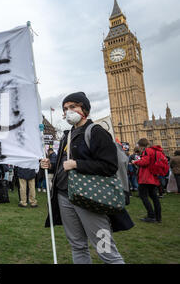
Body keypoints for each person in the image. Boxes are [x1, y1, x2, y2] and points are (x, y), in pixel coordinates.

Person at [40, 92, 133, 264]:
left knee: (106, 250)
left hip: (90, 198)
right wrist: (50, 165)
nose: (68, 111)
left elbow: (109, 166)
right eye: (65, 108)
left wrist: (78, 164)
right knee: (77, 245)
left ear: (85, 109)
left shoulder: (97, 132)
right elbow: (63, 165)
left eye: (73, 107)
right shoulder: (66, 135)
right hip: (64, 196)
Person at [132, 138, 163, 223]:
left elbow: (144, 162)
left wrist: (135, 162)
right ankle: (158, 217)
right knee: (154, 197)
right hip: (153, 177)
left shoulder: (147, 151)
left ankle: (151, 216)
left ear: (141, 145)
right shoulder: (155, 151)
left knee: (143, 196)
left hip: (146, 178)